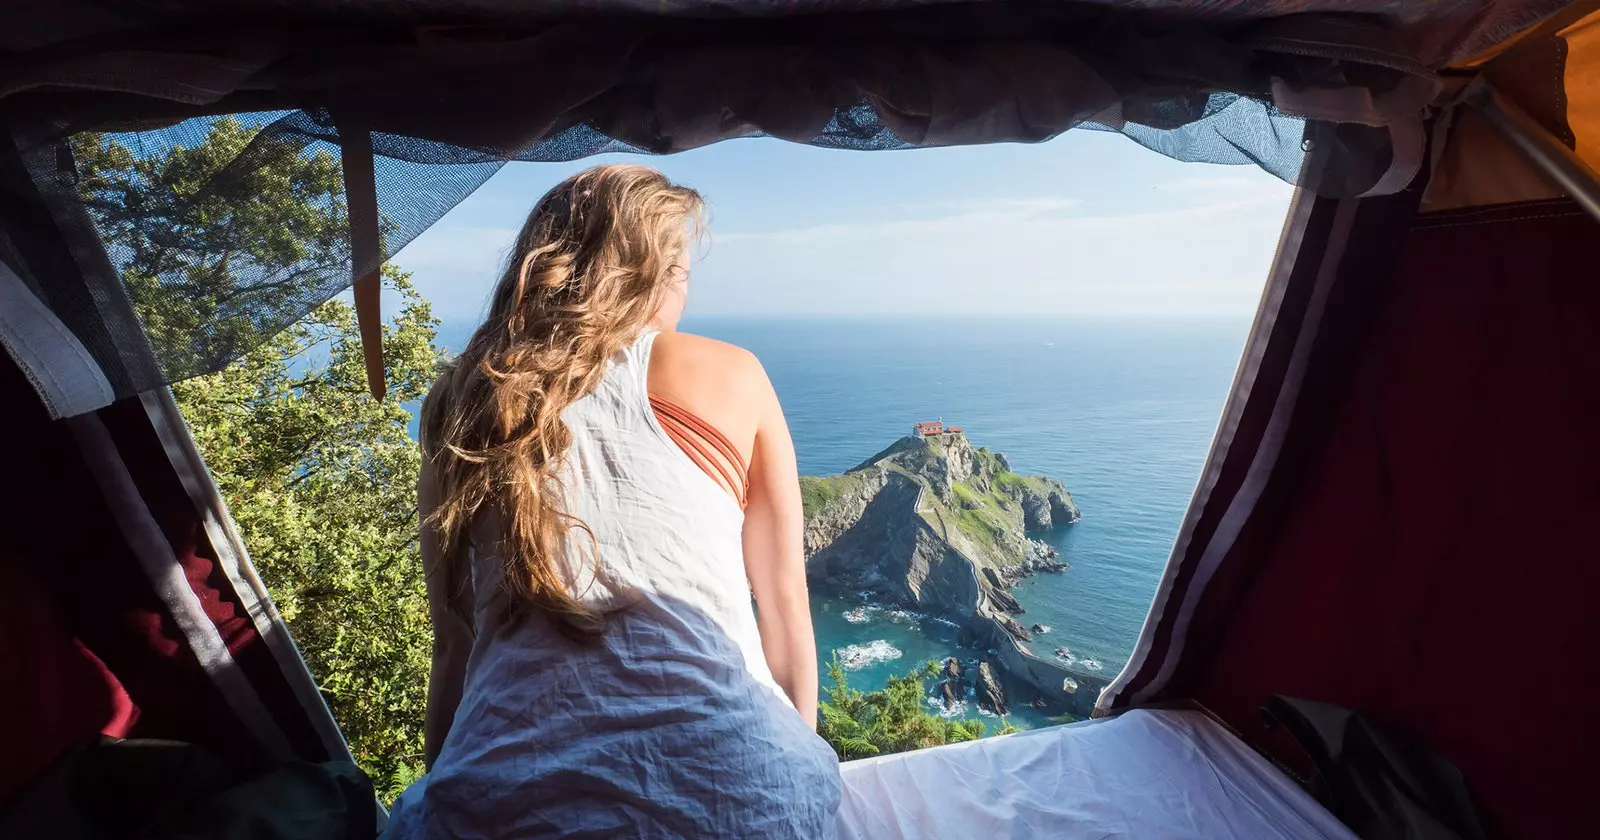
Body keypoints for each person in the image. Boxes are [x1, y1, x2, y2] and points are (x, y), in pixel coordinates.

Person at [384, 165, 842, 839]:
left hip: (500, 803)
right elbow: (785, 613)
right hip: (742, 798)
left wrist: (450, 799)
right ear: (644, 275)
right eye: (681, 273)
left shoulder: (465, 399)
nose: (684, 295)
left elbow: (454, 647)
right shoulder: (733, 374)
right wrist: (791, 775)